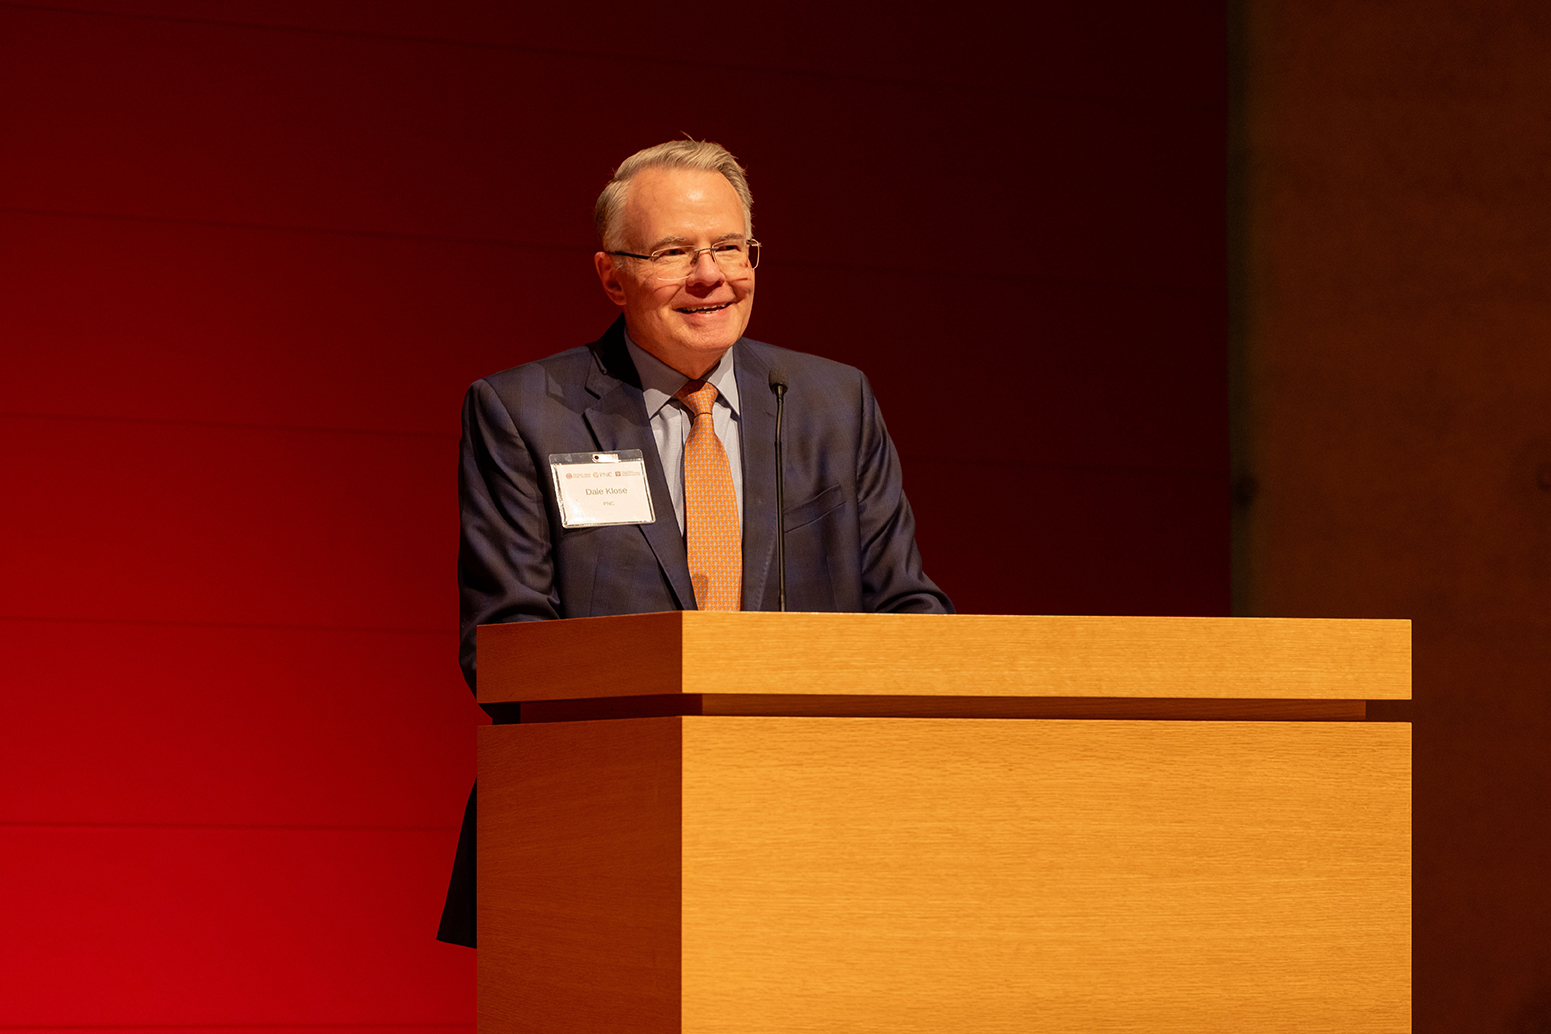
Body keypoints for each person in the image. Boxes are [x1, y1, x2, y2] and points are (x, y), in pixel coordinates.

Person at [437, 139, 951, 947]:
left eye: (728, 248)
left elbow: (904, 607)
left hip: (812, 828)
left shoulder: (828, 400)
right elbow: (505, 645)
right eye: (674, 252)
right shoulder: (522, 412)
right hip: (600, 831)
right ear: (611, 275)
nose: (709, 276)